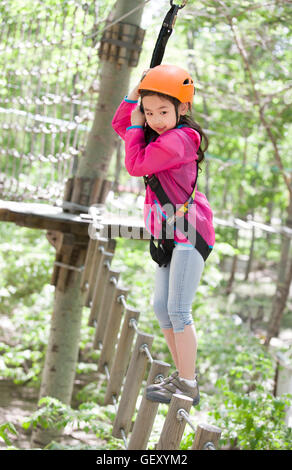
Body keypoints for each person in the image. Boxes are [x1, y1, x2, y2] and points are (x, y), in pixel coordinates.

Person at [112, 64, 215, 405]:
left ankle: (187, 383)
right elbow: (122, 125)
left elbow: (135, 164)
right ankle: (182, 375)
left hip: (189, 228)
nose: (155, 119)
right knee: (161, 307)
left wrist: (139, 124)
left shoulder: (181, 139)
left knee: (178, 309)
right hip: (170, 232)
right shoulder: (160, 134)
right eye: (150, 112)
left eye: (164, 111)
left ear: (183, 108)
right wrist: (134, 94)